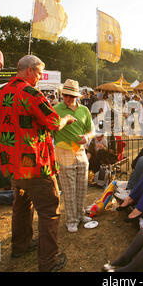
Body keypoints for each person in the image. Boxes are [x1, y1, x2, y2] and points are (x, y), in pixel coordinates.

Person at [0, 55, 76, 272]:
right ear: (28, 71)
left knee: (21, 206)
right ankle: (49, 262)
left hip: (12, 165)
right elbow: (54, 122)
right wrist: (67, 119)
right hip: (36, 164)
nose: (39, 78)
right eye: (38, 73)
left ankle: (21, 246)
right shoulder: (30, 93)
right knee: (49, 210)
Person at [53, 79, 95, 233]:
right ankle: (71, 220)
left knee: (82, 187)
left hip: (80, 152)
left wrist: (87, 137)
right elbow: (50, 130)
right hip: (63, 152)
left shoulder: (84, 110)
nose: (68, 98)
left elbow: (92, 130)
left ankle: (80, 214)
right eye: (65, 95)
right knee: (69, 189)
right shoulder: (56, 109)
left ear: (77, 96)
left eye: (71, 96)